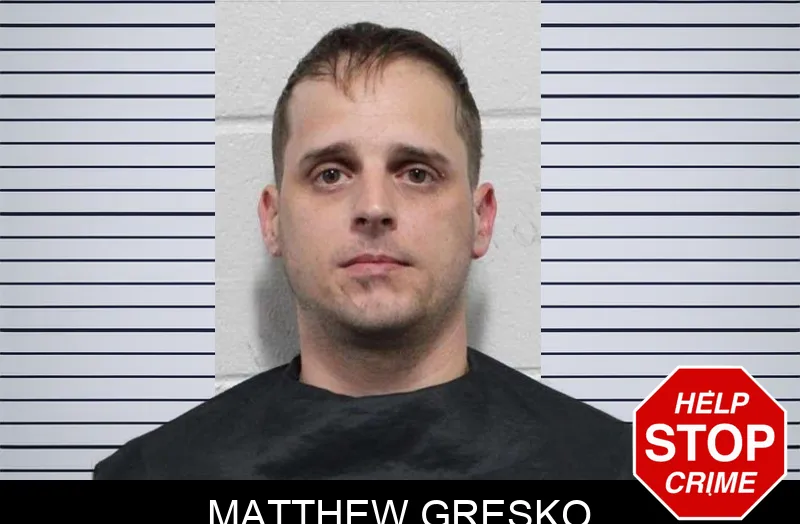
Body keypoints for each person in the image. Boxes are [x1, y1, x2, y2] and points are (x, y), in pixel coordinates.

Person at [93, 22, 632, 480]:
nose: (374, 207)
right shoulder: (153, 474)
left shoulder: (617, 470)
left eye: (417, 173)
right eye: (331, 174)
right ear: (274, 220)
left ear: (481, 219)